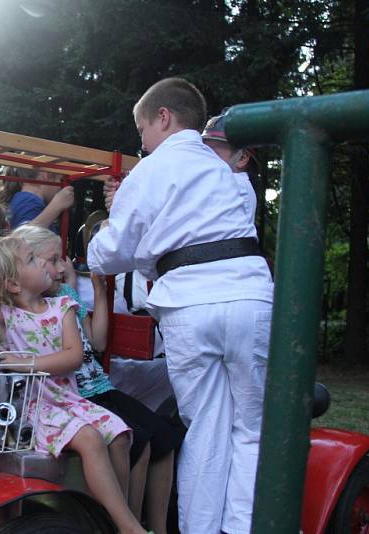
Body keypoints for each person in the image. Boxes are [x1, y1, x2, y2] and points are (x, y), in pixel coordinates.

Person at [88, 77, 274, 534]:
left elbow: (113, 251)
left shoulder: (150, 172)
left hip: (189, 305)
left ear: (163, 118)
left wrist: (94, 247)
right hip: (250, 296)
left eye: (143, 131)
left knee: (207, 429)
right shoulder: (232, 175)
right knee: (252, 427)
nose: (143, 143)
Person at [0, 235, 147, 534]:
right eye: (31, 259)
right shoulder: (4, 316)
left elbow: (73, 357)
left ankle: (116, 519)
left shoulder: (62, 307)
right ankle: (126, 525)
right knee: (90, 438)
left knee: (120, 435)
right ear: (13, 284)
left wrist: (24, 363)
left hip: (67, 400)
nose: (41, 261)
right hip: (33, 407)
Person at [12, 224, 177, 532]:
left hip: (100, 386)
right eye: (53, 260)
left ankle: (156, 526)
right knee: (139, 441)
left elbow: (98, 342)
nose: (61, 267)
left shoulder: (65, 295)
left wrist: (100, 292)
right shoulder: (21, 310)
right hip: (79, 393)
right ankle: (127, 521)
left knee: (165, 437)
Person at [0, 166, 74, 230]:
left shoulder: (23, 199)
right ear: (46, 175)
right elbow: (24, 238)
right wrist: (55, 207)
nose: (61, 187)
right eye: (60, 180)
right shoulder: (29, 201)